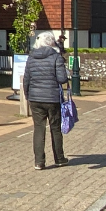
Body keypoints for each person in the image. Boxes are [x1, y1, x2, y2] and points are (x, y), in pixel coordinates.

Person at [25, 31, 69, 170]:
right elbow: (62, 79)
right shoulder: (56, 57)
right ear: (51, 42)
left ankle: (39, 162)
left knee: (39, 129)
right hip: (52, 98)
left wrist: (28, 95)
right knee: (55, 128)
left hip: (35, 98)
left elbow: (26, 79)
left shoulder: (31, 57)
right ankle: (60, 159)